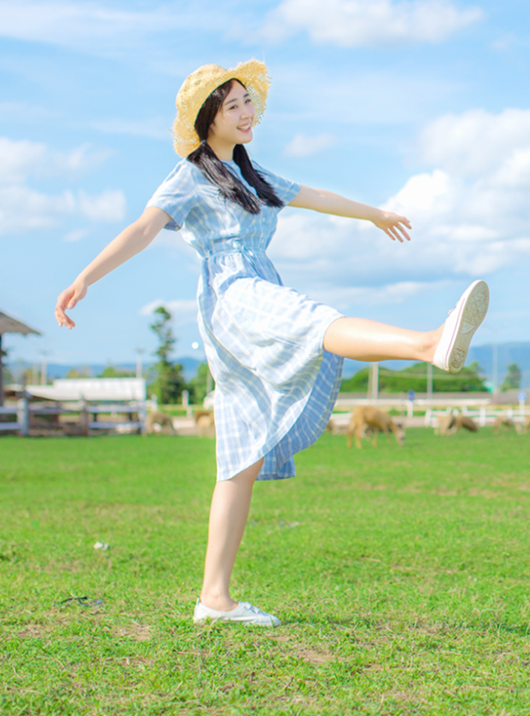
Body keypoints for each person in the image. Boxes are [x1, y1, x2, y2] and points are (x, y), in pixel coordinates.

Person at [55, 59, 489, 627]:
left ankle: (214, 599)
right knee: (316, 324)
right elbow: (142, 229)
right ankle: (429, 344)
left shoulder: (251, 173)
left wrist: (376, 214)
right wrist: (85, 277)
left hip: (257, 283)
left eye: (248, 102)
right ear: (208, 118)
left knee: (241, 453)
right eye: (233, 105)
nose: (247, 112)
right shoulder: (189, 175)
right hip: (232, 290)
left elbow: (315, 195)